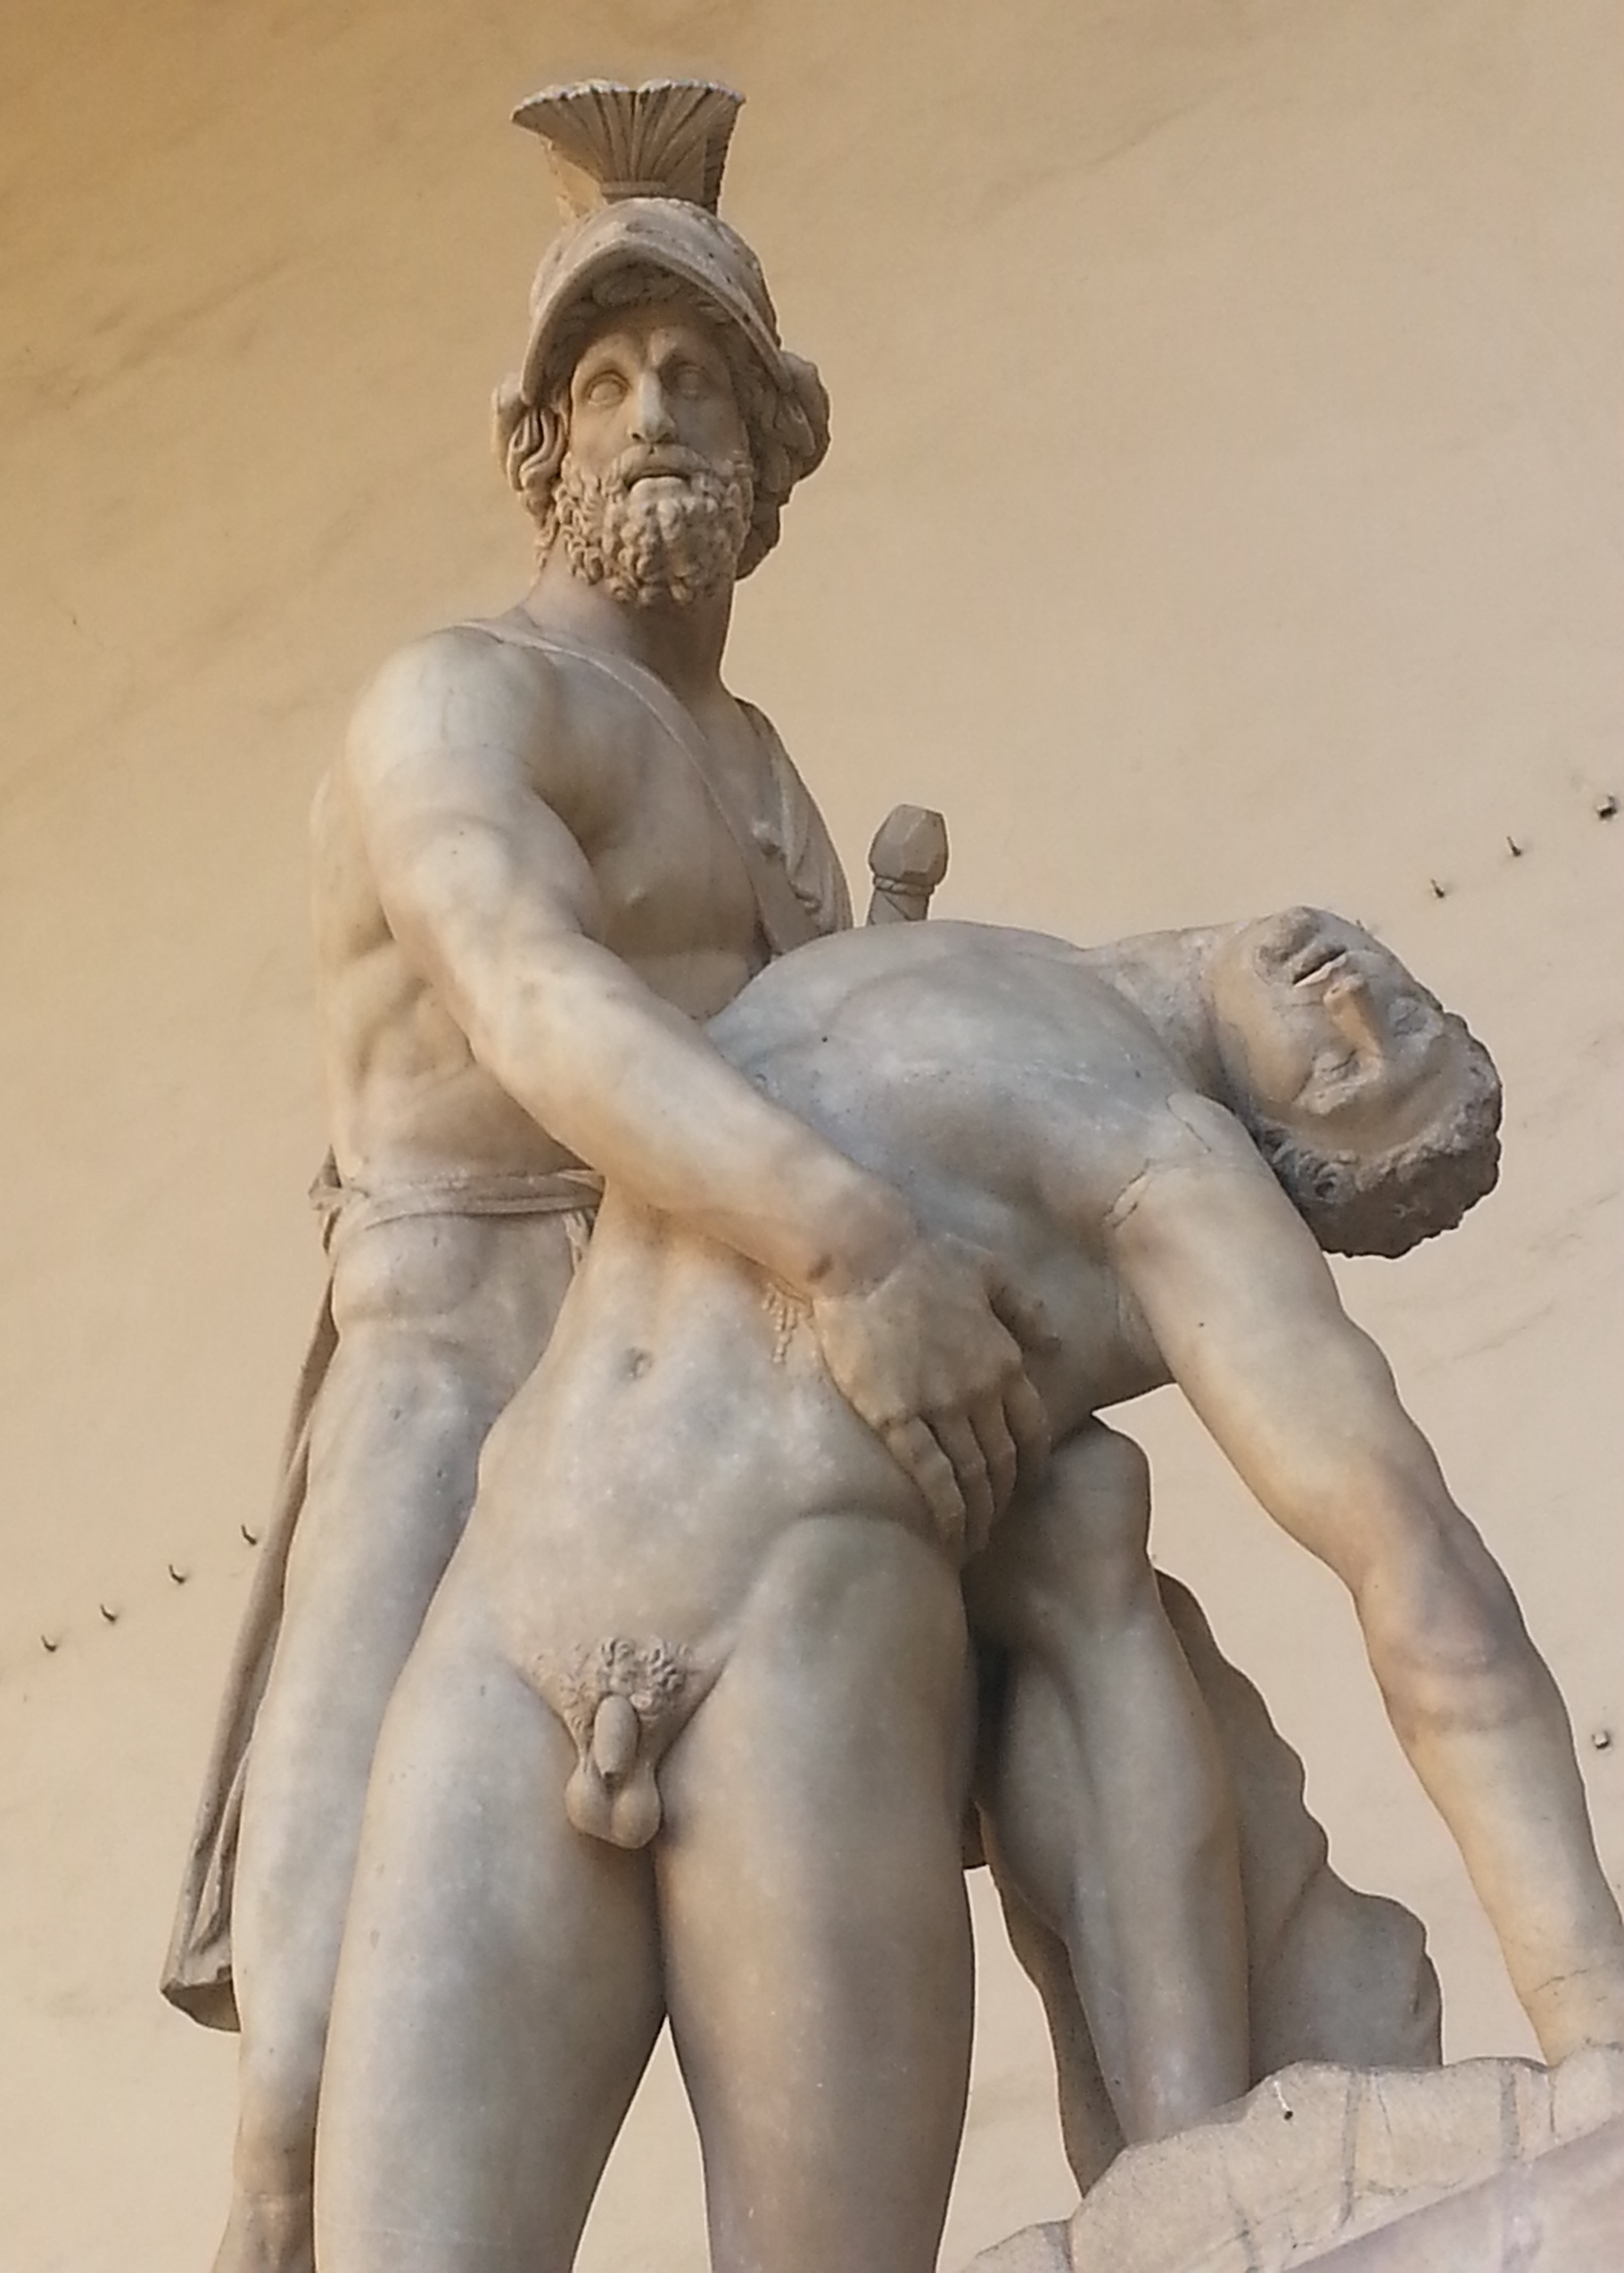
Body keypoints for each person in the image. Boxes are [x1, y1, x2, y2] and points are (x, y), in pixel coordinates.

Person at [167, 82, 1051, 2273]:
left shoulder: (768, 792)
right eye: (608, 376)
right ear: (539, 442)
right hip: (450, 1375)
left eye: (700, 381)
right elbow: (538, 1007)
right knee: (305, 2083)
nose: (655, 412)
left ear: (773, 464)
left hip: (688, 1413)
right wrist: (851, 1227)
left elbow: (838, 1077)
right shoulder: (458, 704)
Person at [313, 908, 1624, 2273]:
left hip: (790, 1665)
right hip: (507, 1616)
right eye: (1406, 1011)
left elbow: (1417, 1570)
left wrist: (1597, 2033)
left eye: (1355, 1075)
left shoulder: (1169, 1174)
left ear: (1289, 1167)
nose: (1351, 1006)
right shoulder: (956, 950)